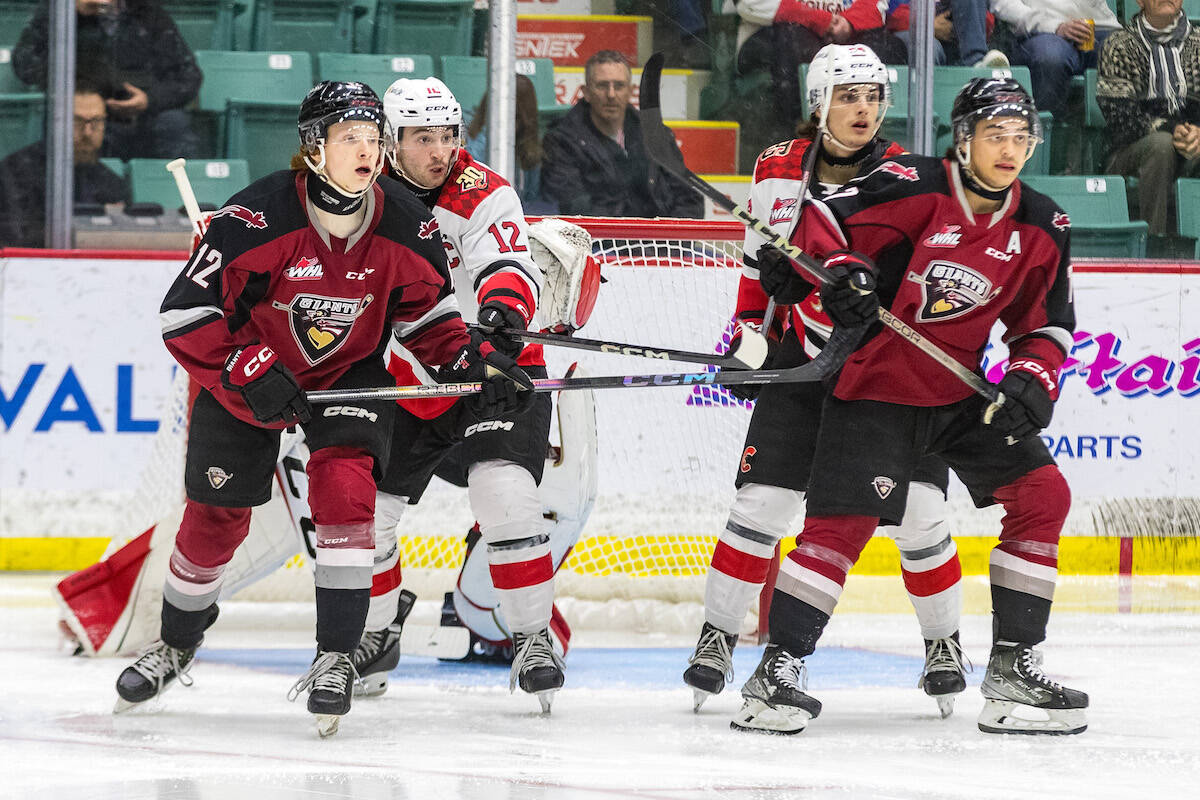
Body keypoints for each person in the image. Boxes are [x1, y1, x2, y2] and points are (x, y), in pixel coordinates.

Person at [112, 80, 532, 737]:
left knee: (345, 493)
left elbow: (431, 317)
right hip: (248, 375)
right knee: (215, 520)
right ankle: (175, 643)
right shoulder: (256, 217)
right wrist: (243, 366)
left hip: (345, 380)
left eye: (373, 139)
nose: (366, 153)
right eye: (349, 139)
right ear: (314, 147)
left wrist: (471, 368)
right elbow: (184, 314)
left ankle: (336, 656)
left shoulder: (404, 219)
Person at [731, 76, 1087, 736]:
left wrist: (1034, 378)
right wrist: (844, 273)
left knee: (1043, 494)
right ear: (964, 139)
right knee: (843, 527)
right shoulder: (913, 185)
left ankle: (1011, 668)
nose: (1009, 150)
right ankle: (774, 673)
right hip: (875, 387)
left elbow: (1046, 324)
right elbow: (824, 218)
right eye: (994, 135)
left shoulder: (1041, 223)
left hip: (957, 393)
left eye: (1021, 138)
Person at [682, 44, 968, 719]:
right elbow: (758, 276)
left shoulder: (911, 177)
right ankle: (718, 635)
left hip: (892, 375)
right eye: (847, 96)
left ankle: (943, 644)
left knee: (921, 515)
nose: (863, 108)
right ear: (819, 103)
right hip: (806, 360)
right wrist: (749, 343)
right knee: (758, 507)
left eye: (872, 95)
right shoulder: (778, 168)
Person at [359, 76, 582, 713]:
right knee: (365, 513)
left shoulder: (485, 191)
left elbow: (505, 262)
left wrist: (506, 313)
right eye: (421, 137)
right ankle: (374, 634)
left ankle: (533, 637)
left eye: (448, 135)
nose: (439, 150)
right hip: (412, 374)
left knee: (503, 493)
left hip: (495, 367)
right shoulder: (363, 197)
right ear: (390, 141)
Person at [12, 0, 202, 159]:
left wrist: (149, 100)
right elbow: (25, 66)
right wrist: (73, 15)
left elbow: (188, 77)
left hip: (143, 118)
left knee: (174, 124)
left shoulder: (148, 14)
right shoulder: (59, 10)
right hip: (81, 114)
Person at [541, 50, 703, 218]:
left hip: (662, 239)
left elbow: (689, 198)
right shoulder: (562, 141)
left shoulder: (656, 133)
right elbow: (574, 207)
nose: (611, 95)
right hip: (602, 242)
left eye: (619, 86)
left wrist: (668, 236)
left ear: (631, 92)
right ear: (586, 92)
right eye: (602, 86)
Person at [1099, 0, 1200, 235]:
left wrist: (1196, 135)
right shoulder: (1119, 44)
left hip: (1191, 142)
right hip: (1130, 150)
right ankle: (1154, 243)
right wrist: (1171, 128)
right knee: (1161, 145)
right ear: (1139, 1)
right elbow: (1120, 117)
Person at [733, 1, 907, 134]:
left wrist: (848, 23)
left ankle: (875, 136)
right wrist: (816, 19)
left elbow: (876, 6)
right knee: (793, 40)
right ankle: (801, 133)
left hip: (845, 34)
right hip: (775, 35)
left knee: (892, 47)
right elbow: (749, 3)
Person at [0, 77, 128, 248]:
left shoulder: (111, 181)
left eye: (96, 121)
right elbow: (13, 240)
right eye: (77, 121)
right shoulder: (15, 173)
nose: (88, 132)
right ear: (56, 122)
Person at [989, 0, 1121, 117]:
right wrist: (1055, 25)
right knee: (1050, 58)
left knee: (1122, 52)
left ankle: (1127, 139)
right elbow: (1005, 5)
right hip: (1039, 31)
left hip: (1095, 27)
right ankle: (1045, 136)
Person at [463, 73, 556, 213]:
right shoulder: (467, 138)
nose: (508, 122)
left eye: (516, 117)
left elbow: (532, 200)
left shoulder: (529, 148)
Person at [887, 0, 1009, 67]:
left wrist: (961, 21)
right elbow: (892, 17)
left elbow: (986, 24)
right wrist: (927, 24)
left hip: (957, 39)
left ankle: (977, 65)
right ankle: (927, 105)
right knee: (927, 47)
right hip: (918, 32)